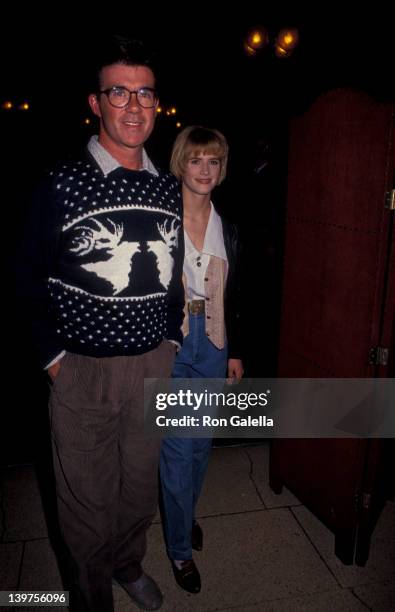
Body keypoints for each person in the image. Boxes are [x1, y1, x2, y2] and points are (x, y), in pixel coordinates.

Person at [21, 36, 184, 612]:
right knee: (86, 505)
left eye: (145, 93)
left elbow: (173, 272)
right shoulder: (60, 186)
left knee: (139, 491)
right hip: (82, 372)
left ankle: (128, 564)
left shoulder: (168, 186)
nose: (134, 106)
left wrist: (170, 337)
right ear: (97, 102)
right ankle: (92, 597)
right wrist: (54, 360)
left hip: (152, 366)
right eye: (120, 92)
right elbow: (25, 279)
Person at [159, 126, 244, 594]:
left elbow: (237, 294)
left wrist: (236, 350)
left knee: (201, 444)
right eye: (196, 160)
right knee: (177, 449)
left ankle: (184, 515)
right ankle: (178, 549)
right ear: (180, 163)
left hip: (212, 343)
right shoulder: (160, 219)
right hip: (172, 344)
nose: (205, 170)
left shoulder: (227, 226)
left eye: (213, 161)